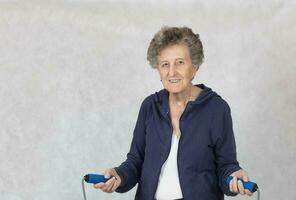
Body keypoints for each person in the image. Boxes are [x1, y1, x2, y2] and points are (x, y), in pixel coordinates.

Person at [94, 26, 253, 200]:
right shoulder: (150, 107)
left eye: (180, 63)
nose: (172, 72)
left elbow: (226, 166)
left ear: (194, 66)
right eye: (165, 65)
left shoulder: (217, 109)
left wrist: (233, 177)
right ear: (159, 71)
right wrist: (119, 176)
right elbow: (135, 162)